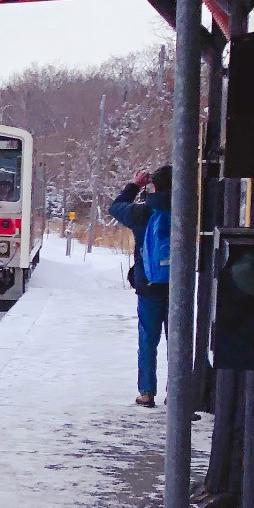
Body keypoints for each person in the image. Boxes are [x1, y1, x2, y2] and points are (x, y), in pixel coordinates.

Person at [110, 166, 173, 408]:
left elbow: (115, 207)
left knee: (148, 339)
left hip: (148, 285)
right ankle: (174, 393)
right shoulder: (189, 210)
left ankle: (147, 393)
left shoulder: (142, 212)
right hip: (179, 287)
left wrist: (135, 185)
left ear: (153, 186)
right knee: (177, 341)